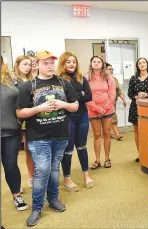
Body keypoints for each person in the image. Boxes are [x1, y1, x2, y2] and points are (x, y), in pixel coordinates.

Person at [16, 50, 79, 227]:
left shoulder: (63, 82)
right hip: (38, 137)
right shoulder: (28, 86)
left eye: (52, 62)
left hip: (60, 135)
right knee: (42, 170)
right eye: (45, 63)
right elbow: (20, 112)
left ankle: (53, 199)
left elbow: (75, 106)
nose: (50, 66)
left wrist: (63, 104)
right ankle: (37, 207)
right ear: (37, 64)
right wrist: (39, 108)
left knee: (53, 169)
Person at [57, 52, 94, 192]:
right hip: (68, 117)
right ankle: (67, 178)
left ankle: (86, 174)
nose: (72, 64)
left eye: (74, 61)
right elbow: (63, 99)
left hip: (82, 115)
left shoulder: (81, 77)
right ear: (63, 63)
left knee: (82, 146)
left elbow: (89, 96)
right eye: (68, 62)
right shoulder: (59, 79)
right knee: (68, 149)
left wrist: (74, 97)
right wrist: (80, 95)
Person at [1, 56, 28, 211]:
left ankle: (16, 196)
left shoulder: (12, 78)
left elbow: (23, 97)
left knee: (11, 165)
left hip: (11, 130)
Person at [86, 56, 116, 169]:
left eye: (99, 62)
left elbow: (112, 94)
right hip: (93, 111)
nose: (96, 63)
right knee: (97, 135)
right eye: (94, 61)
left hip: (107, 110)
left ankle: (107, 159)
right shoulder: (86, 77)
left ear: (102, 64)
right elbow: (86, 96)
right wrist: (97, 109)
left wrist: (104, 108)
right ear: (91, 63)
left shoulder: (108, 77)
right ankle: (97, 160)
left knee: (107, 133)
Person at [128, 57, 148, 162]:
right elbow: (130, 93)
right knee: (137, 133)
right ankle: (140, 154)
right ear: (137, 66)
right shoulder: (133, 78)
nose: (142, 64)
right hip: (135, 108)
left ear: (147, 64)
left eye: (144, 62)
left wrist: (147, 94)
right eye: (139, 63)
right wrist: (136, 97)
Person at [11, 55, 34, 187]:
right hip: (17, 118)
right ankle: (16, 182)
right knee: (14, 151)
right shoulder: (12, 80)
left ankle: (32, 176)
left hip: (31, 117)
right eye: (25, 64)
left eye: (29, 65)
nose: (27, 67)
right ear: (17, 64)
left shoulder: (32, 80)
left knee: (30, 149)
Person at [105, 63, 126, 141]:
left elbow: (118, 90)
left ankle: (107, 133)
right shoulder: (103, 79)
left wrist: (123, 99)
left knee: (110, 118)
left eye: (112, 69)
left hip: (114, 102)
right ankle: (117, 134)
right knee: (113, 117)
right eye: (109, 69)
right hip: (106, 102)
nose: (111, 70)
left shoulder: (115, 79)